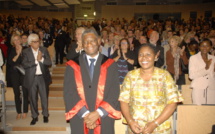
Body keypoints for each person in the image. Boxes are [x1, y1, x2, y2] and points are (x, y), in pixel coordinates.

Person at [63, 29, 121, 134]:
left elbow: (114, 92)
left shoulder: (111, 65)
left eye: (92, 40)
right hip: (80, 116)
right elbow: (69, 93)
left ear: (99, 41)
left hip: (104, 116)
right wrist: (86, 115)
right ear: (82, 44)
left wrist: (98, 113)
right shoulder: (72, 66)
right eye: (86, 41)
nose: (89, 44)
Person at [119, 43, 183, 134]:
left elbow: (173, 102)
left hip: (160, 128)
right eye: (141, 55)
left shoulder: (164, 75)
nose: (144, 57)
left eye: (148, 54)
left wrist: (154, 123)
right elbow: (123, 101)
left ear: (156, 56)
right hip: (136, 128)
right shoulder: (130, 76)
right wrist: (130, 122)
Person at [22, 33, 52, 125]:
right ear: (30, 43)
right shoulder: (26, 52)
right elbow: (24, 64)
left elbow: (49, 62)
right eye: (35, 42)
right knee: (33, 99)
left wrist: (41, 59)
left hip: (42, 77)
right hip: (32, 78)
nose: (37, 43)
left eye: (38, 41)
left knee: (44, 97)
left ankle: (45, 115)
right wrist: (36, 60)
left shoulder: (43, 50)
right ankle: (34, 116)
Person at [7, 34, 28, 119]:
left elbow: (26, 62)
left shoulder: (26, 50)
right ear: (13, 41)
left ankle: (25, 111)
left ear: (20, 40)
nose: (17, 41)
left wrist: (21, 53)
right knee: (16, 93)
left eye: (18, 39)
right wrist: (17, 54)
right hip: (14, 73)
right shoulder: (11, 50)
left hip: (23, 73)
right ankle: (18, 112)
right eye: (14, 40)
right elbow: (10, 62)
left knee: (25, 92)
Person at [189, 38, 215, 105]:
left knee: (210, 113)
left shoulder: (213, 58)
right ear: (199, 47)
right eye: (202, 45)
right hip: (198, 88)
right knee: (198, 112)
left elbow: (212, 75)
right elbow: (191, 76)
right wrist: (206, 68)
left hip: (211, 89)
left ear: (211, 47)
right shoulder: (193, 58)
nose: (205, 47)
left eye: (207, 45)